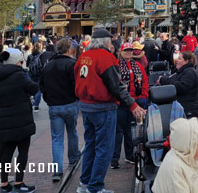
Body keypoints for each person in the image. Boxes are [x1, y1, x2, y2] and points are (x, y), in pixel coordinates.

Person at [74, 29, 146, 193]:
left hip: (86, 106)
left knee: (91, 145)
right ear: (106, 41)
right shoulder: (105, 58)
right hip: (102, 107)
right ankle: (95, 186)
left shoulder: (84, 57)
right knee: (103, 148)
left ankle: (84, 183)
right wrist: (132, 105)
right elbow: (116, 86)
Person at [0, 48, 39, 193]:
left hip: (4, 119)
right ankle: (19, 183)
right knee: (23, 152)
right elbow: (33, 88)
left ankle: (4, 184)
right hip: (21, 119)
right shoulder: (19, 75)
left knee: (7, 153)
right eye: (20, 61)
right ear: (15, 62)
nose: (22, 64)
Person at [40, 38, 80, 182]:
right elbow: (76, 85)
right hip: (69, 103)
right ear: (69, 49)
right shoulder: (72, 64)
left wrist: (48, 99)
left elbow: (42, 85)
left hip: (54, 105)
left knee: (57, 138)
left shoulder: (49, 65)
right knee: (72, 132)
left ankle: (57, 169)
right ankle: (73, 157)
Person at [111, 42, 149, 169]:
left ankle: (129, 155)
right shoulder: (116, 66)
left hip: (135, 102)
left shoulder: (137, 65)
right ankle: (114, 158)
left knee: (130, 130)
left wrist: (143, 96)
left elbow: (144, 80)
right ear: (121, 52)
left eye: (130, 50)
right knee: (118, 131)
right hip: (121, 103)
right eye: (126, 50)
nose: (128, 53)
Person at [159, 51, 198, 118]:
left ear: (186, 61)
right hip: (183, 107)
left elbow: (182, 87)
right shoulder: (182, 71)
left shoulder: (189, 72)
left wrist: (164, 80)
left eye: (179, 58)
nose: (177, 60)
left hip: (187, 110)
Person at [26, 42, 44, 111]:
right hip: (39, 74)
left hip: (31, 74)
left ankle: (32, 101)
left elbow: (27, 65)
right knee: (38, 89)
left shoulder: (30, 56)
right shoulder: (41, 55)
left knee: (32, 88)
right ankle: (36, 105)